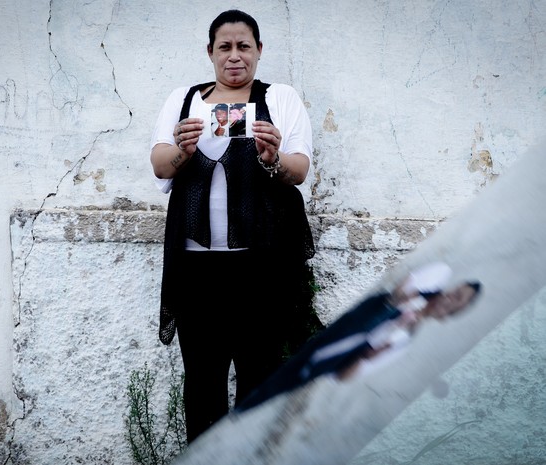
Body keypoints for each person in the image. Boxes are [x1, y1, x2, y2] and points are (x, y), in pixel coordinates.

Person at [150, 9, 316, 443]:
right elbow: (159, 166)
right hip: (196, 270)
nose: (235, 56)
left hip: (261, 269)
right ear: (210, 52)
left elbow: (298, 170)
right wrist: (183, 151)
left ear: (260, 51)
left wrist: (272, 157)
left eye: (244, 46)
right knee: (202, 383)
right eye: (225, 47)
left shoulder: (280, 99)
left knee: (260, 381)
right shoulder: (183, 101)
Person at [235, 262, 482, 412]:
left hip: (314, 369)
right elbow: (397, 293)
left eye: (457, 301)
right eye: (456, 292)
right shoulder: (427, 285)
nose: (450, 298)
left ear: (450, 315)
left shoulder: (404, 341)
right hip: (313, 343)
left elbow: (344, 376)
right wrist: (406, 308)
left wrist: (376, 351)